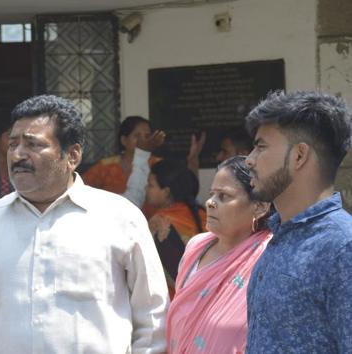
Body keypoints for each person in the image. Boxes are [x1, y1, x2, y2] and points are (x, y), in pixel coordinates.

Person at [0, 95, 169, 353]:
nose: (18, 155)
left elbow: (152, 316)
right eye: (13, 144)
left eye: (32, 145)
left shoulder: (121, 219)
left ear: (72, 155)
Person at [244, 90, 352, 353]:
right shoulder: (279, 237)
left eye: (261, 146)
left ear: (299, 156)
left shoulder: (342, 248)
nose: (248, 160)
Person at [166, 156, 271, 353]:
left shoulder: (269, 257)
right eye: (211, 194)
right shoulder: (196, 248)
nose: (210, 203)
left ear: (260, 206)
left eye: (223, 196)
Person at [144, 159, 206, 296]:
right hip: (209, 295)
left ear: (166, 192)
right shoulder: (203, 214)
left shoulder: (159, 222)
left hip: (178, 300)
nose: (145, 188)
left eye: (150, 185)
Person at [82, 115, 164, 207]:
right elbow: (80, 191)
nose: (142, 140)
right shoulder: (105, 167)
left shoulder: (159, 165)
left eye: (147, 136)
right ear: (124, 140)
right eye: (137, 136)